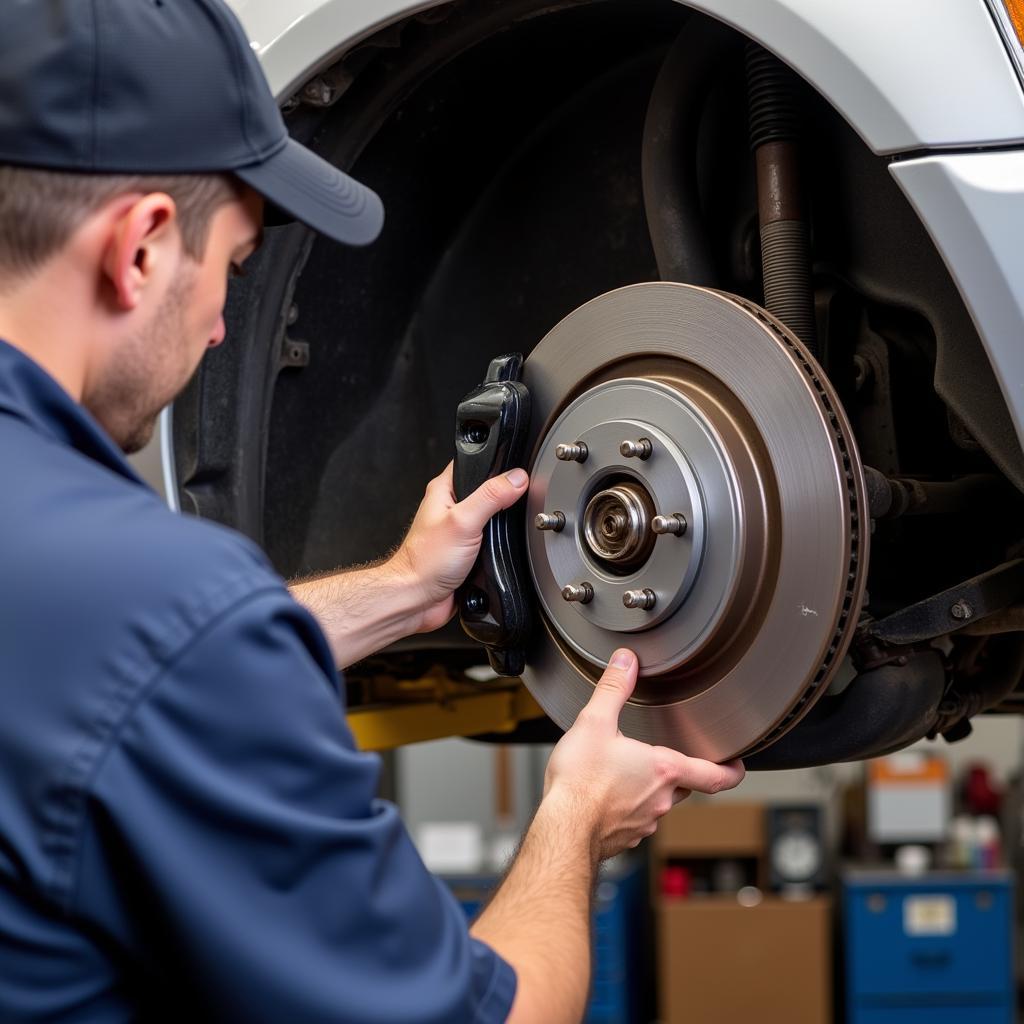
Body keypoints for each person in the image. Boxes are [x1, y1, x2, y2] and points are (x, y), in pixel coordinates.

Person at [0, 1, 744, 1021]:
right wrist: (575, 818)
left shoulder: (88, 597)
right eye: (233, 270)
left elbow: (91, 672)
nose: (225, 331)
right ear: (139, 249)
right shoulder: (160, 611)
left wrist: (400, 590)